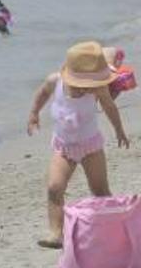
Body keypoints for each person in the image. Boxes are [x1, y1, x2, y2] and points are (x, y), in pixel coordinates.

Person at [27, 41, 130, 250]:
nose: (85, 88)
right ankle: (56, 233)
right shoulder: (55, 81)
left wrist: (119, 130)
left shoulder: (98, 89)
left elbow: (110, 107)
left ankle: (113, 227)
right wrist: (34, 113)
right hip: (63, 147)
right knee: (54, 187)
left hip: (91, 145)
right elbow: (42, 94)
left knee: (100, 189)